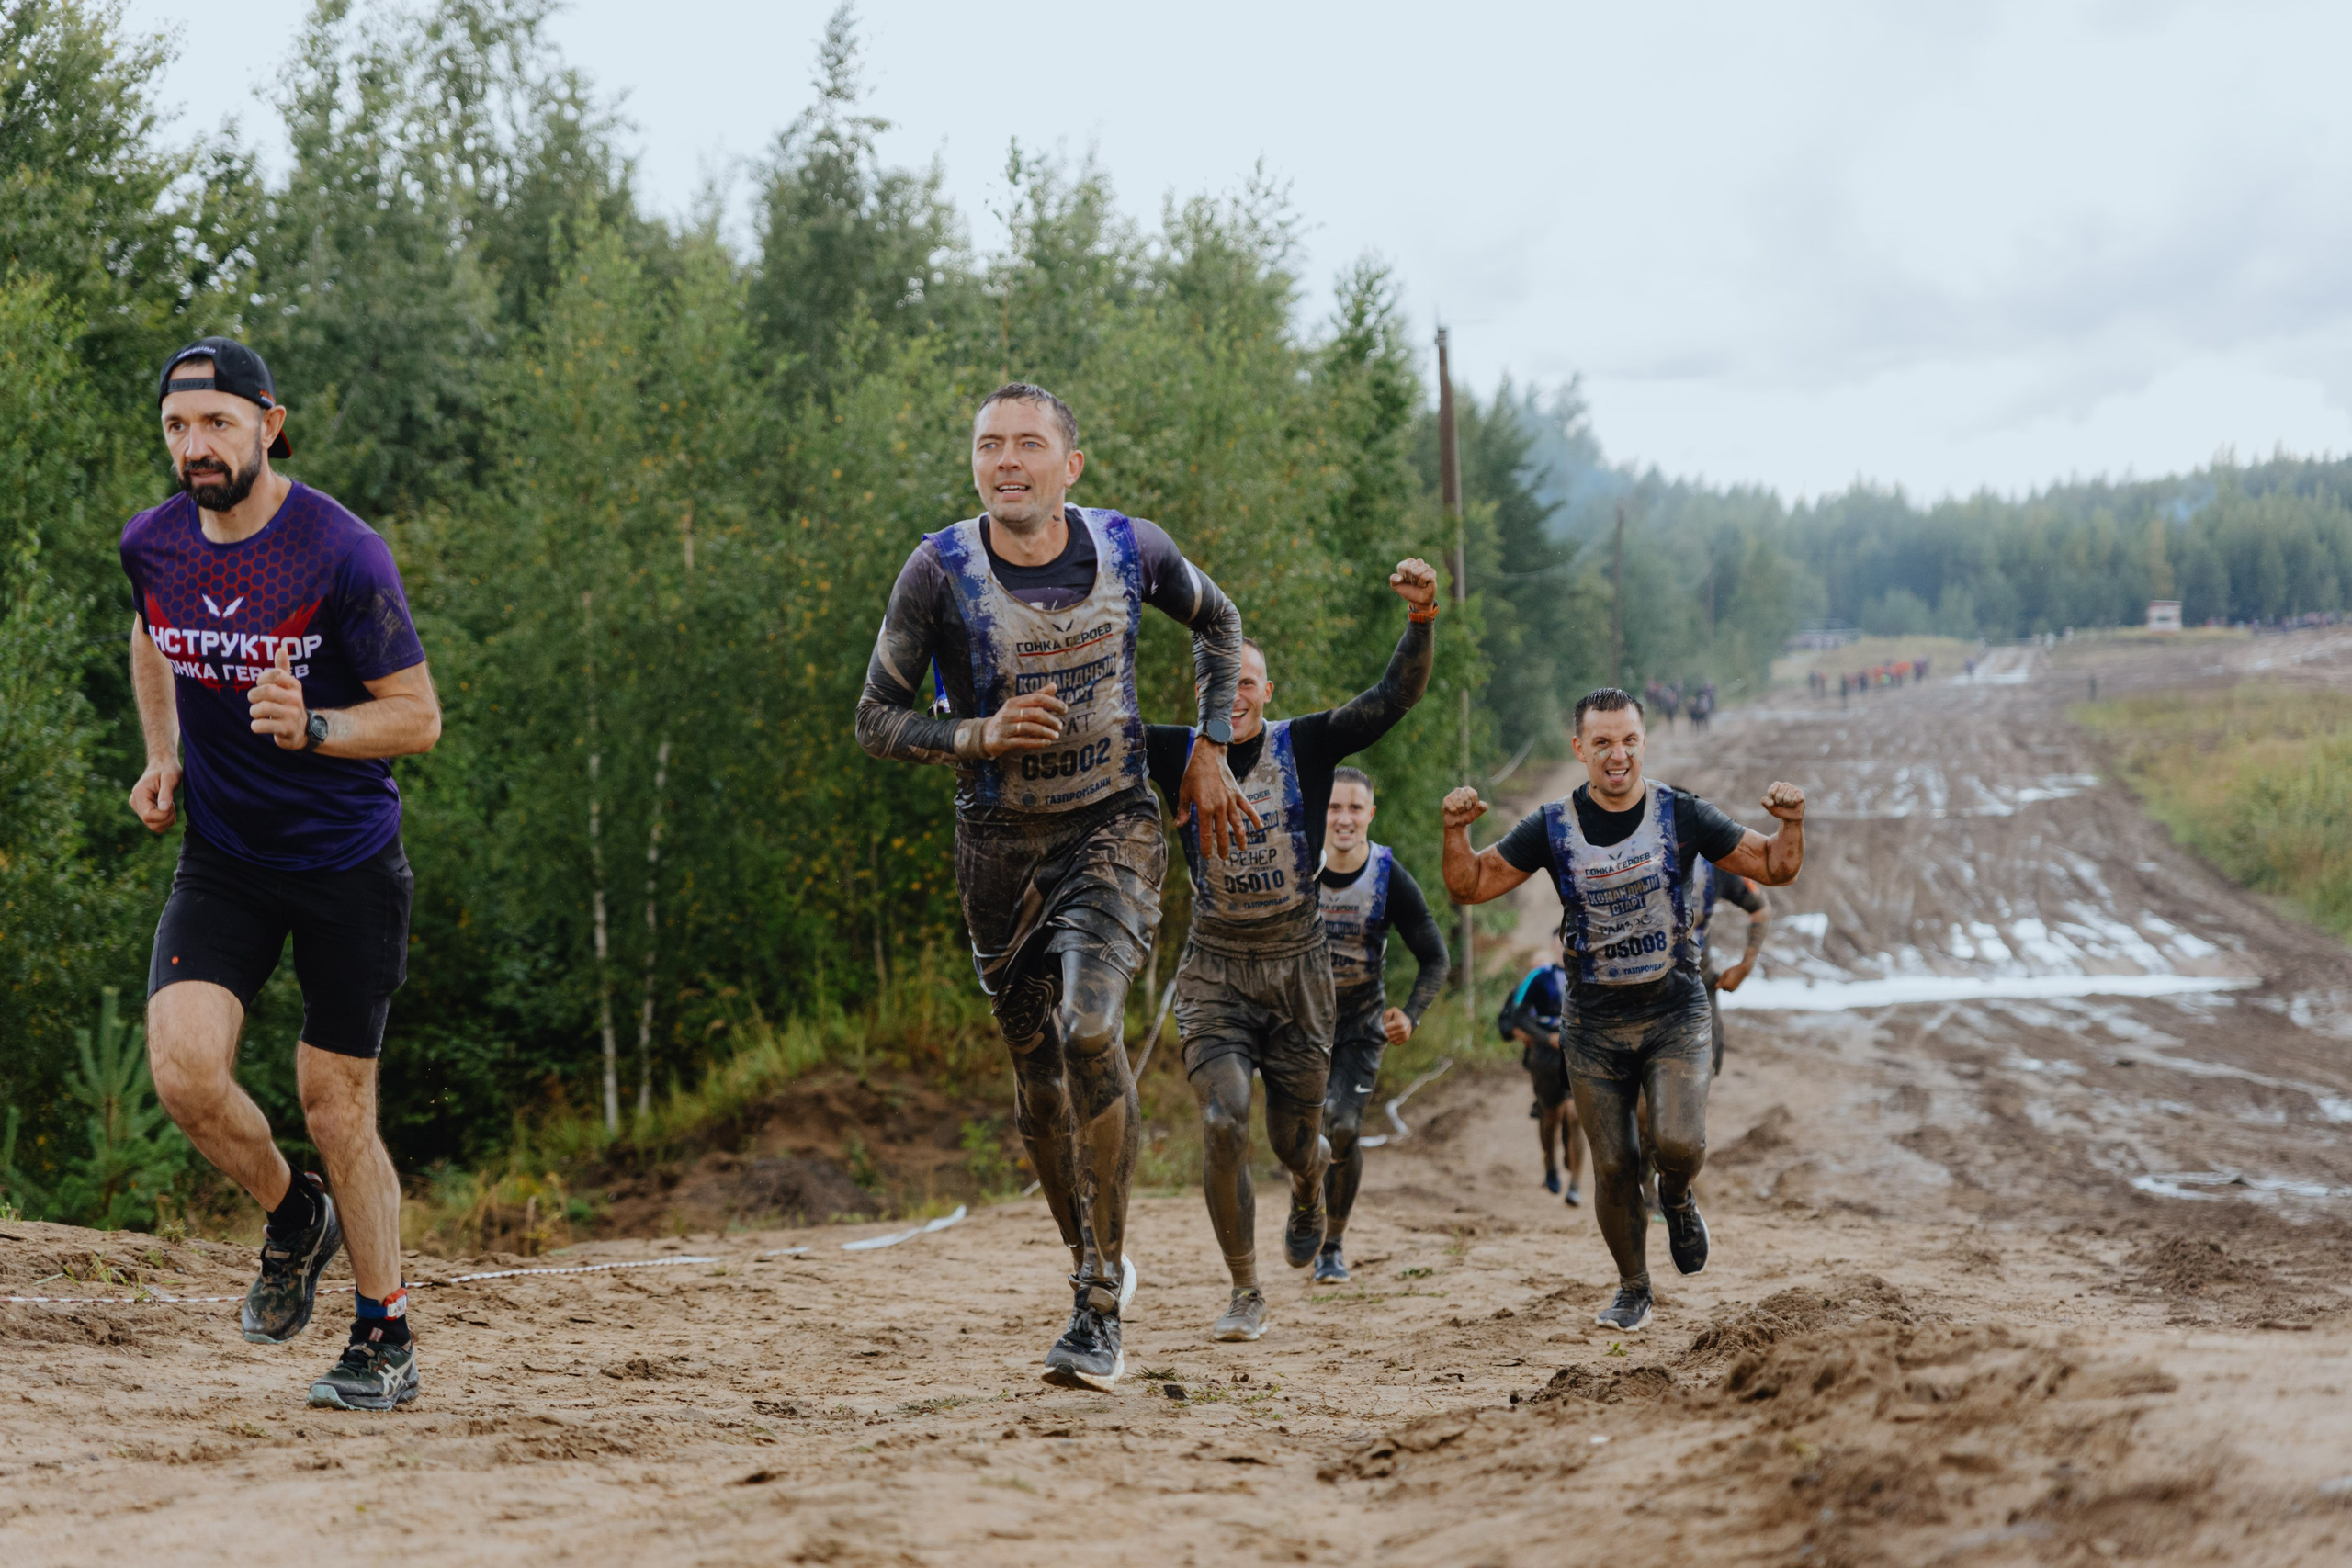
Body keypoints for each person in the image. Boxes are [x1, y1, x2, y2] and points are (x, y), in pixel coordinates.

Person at [856, 383, 1256, 1391]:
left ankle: (1098, 1305)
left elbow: (1219, 624)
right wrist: (977, 733)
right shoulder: (937, 571)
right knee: (1036, 1078)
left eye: (1028, 444)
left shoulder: (1131, 549)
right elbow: (874, 720)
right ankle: (1092, 1251)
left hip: (1110, 826)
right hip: (997, 849)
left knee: (1089, 1028)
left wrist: (1209, 747)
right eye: (990, 445)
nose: (1007, 461)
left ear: (1069, 466)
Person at [126, 337, 443, 1411]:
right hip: (224, 858)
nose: (195, 446)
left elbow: (418, 718)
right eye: (177, 426)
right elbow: (150, 632)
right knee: (183, 1073)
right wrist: (163, 753)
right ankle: (294, 1215)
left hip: (347, 864)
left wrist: (314, 726)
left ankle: (385, 1337)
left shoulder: (342, 553)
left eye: (217, 422)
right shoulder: (153, 544)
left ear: (269, 424)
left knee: (334, 1104)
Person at [1441, 687, 1804, 1333]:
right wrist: (1454, 832)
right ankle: (1633, 1288)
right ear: (1579, 748)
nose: (1618, 754)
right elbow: (1470, 884)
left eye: (1629, 740)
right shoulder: (1551, 826)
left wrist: (1792, 822)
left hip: (1674, 1010)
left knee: (1678, 1142)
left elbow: (1775, 867)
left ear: (1644, 743)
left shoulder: (1682, 813)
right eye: (1603, 742)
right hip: (1593, 1023)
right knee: (1611, 1165)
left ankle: (1677, 1196)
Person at [1144, 563, 1438, 1342]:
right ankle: (1246, 1290)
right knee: (1222, 1120)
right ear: (1201, 689)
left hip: (1299, 973)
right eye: (1220, 680)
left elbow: (1392, 698)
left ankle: (1309, 1183)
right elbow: (1089, 736)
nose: (1233, 693)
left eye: (1246, 681)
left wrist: (1421, 620)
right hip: (1215, 968)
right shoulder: (1172, 751)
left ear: (1265, 691)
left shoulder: (1305, 744)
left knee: (1292, 1141)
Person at [1311, 767, 1450, 1284]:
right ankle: (1304, 1203)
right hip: (1298, 1024)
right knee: (1299, 1139)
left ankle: (1332, 1245)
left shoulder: (1388, 876)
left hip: (1360, 1023)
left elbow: (1435, 957)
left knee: (1343, 1126)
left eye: (1354, 808)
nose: (1344, 819)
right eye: (1334, 807)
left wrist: (1410, 1014)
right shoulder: (1296, 867)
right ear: (1320, 813)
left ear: (1370, 814)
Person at [1498, 932, 1583, 1205]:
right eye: (1562, 943)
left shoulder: (1591, 975)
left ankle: (1576, 1186)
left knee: (1575, 1115)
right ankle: (1550, 1163)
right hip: (1545, 1059)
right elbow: (1514, 1016)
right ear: (1554, 946)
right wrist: (1546, 1038)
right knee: (1552, 1116)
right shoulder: (1538, 978)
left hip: (1579, 1057)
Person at [1692, 859, 1770, 1075]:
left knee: (1694, 1083)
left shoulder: (1708, 862)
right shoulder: (1615, 855)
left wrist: (1745, 966)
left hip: (1698, 996)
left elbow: (1761, 908)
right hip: (1625, 1003)